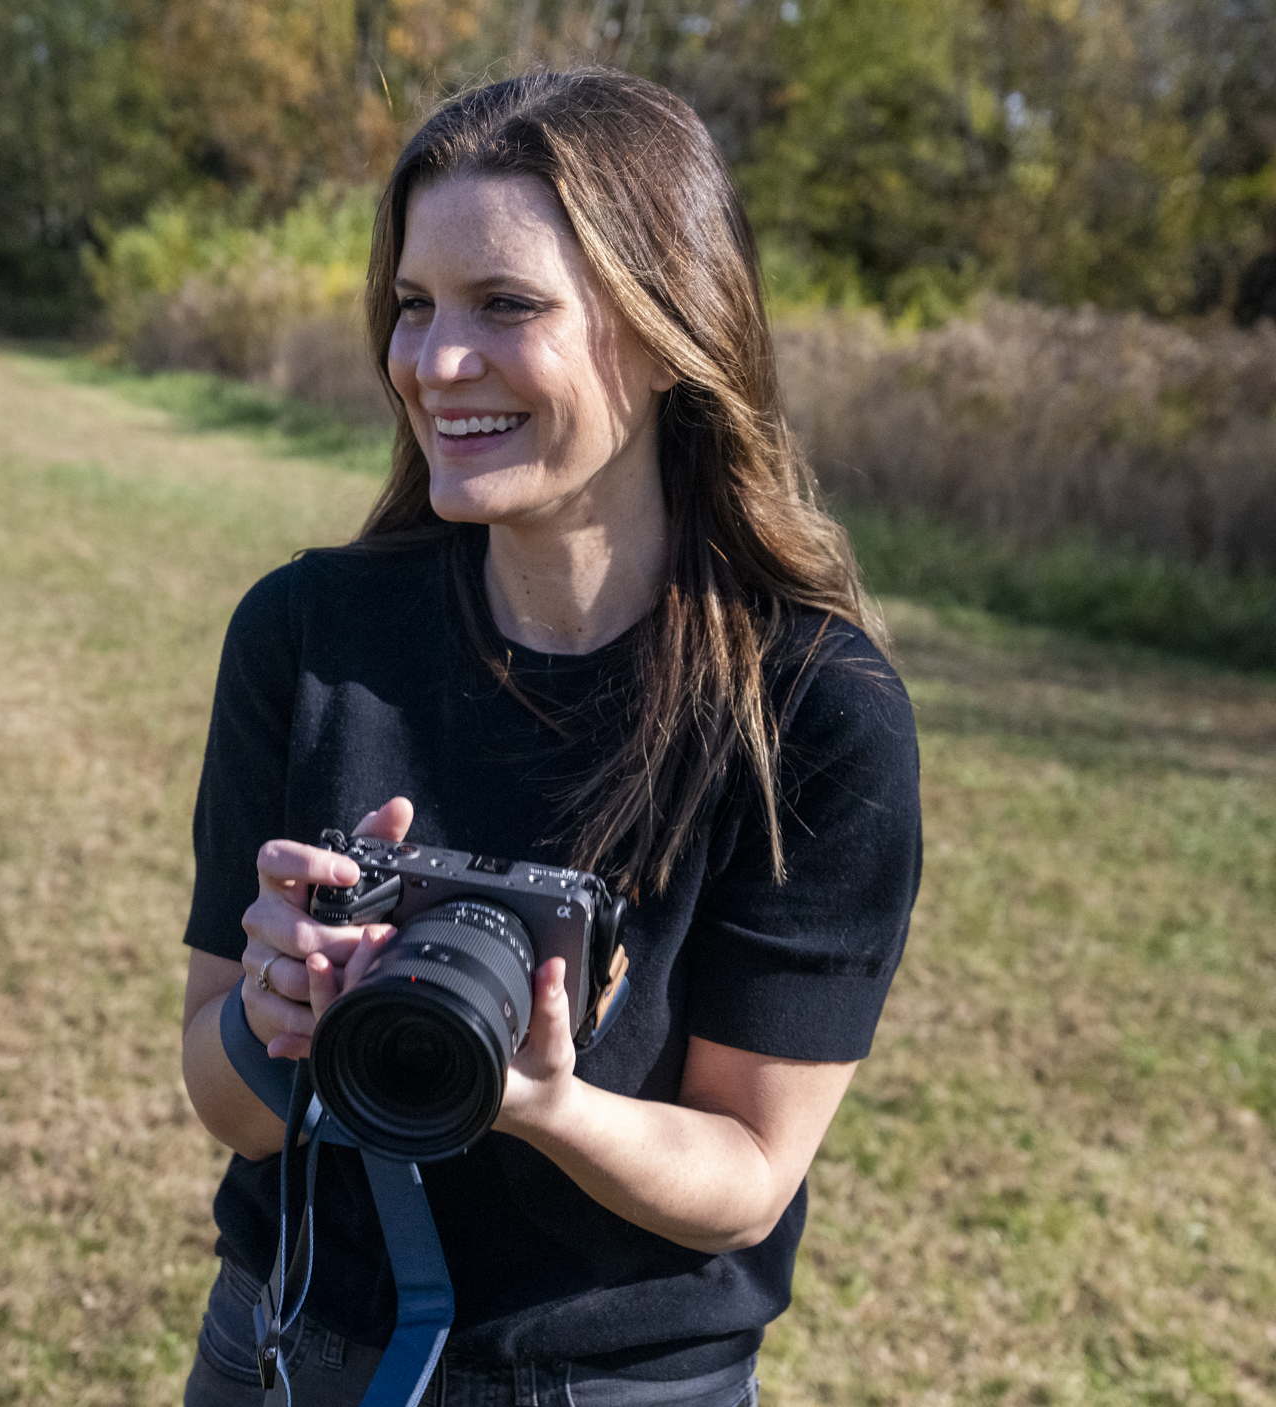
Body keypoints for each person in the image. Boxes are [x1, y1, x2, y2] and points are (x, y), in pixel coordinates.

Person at [177, 70, 921, 1407]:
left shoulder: (810, 710)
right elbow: (222, 1096)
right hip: (289, 1356)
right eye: (413, 305)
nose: (433, 361)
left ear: (666, 327)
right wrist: (274, 1019)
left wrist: (544, 1102)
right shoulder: (305, 635)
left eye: (506, 305)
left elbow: (745, 1178)